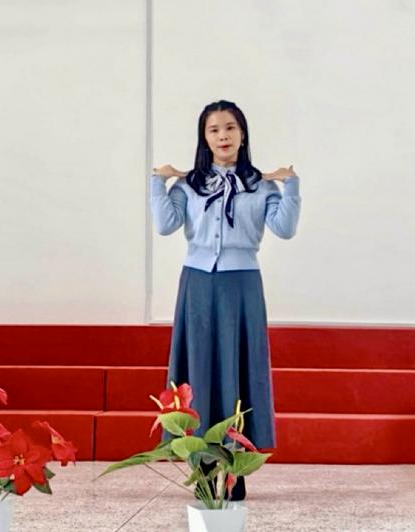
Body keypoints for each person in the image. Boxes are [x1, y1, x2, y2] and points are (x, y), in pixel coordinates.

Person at [150, 100, 301, 501]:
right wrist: (157, 182)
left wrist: (291, 187)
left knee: (239, 368)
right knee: (198, 368)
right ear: (204, 137)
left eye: (230, 128)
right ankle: (202, 464)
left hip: (242, 284)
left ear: (243, 134)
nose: (223, 136)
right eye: (214, 129)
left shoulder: (261, 186)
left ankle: (235, 464)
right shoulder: (188, 186)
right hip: (198, 283)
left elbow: (284, 229)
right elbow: (166, 225)